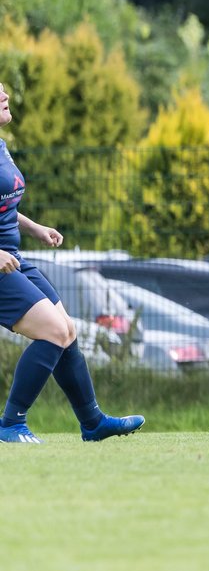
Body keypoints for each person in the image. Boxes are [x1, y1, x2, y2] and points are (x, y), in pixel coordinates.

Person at [0, 82, 144, 444]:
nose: (4, 94)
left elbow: (5, 206)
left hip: (14, 259)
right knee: (52, 331)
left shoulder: (1, 147)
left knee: (67, 330)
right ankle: (11, 424)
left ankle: (93, 422)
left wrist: (34, 229)